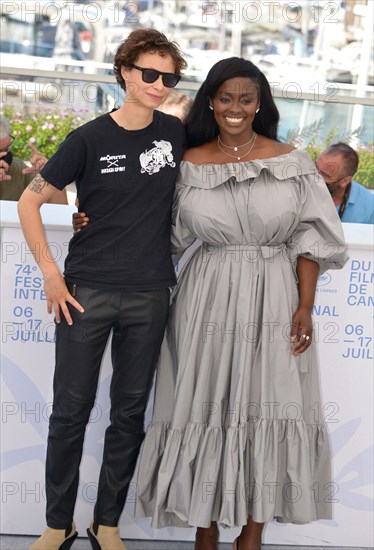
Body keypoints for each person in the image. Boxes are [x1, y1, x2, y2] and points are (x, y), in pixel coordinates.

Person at [132, 58, 347, 550]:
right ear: (211, 100)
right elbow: (157, 232)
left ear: (260, 104)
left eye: (246, 99)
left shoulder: (292, 162)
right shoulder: (189, 162)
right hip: (204, 298)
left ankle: (251, 534)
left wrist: (305, 307)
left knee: (267, 408)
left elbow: (309, 239)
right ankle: (205, 531)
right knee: (205, 408)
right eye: (226, 98)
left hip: (275, 294)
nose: (235, 108)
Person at [17, 28, 187, 550]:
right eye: (150, 74)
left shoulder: (179, 135)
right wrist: (50, 273)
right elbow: (28, 202)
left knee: (129, 412)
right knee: (69, 411)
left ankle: (106, 524)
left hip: (150, 293)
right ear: (125, 73)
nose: (159, 85)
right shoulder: (87, 138)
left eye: (170, 77)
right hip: (84, 290)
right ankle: (57, 523)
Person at [0, 119, 67, 204]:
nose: (6, 154)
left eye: (8, 147)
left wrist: (51, 173)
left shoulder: (18, 168)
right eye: (1, 151)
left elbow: (60, 208)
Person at [316, 142, 374, 224]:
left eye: (325, 175)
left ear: (345, 181)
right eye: (316, 167)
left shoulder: (370, 208)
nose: (316, 177)